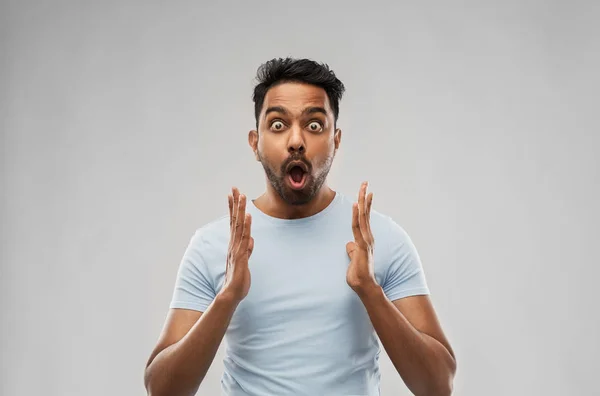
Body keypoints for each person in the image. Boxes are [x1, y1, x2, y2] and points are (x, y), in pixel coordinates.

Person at [144, 57, 456, 396]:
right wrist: (227, 298)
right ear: (255, 142)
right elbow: (161, 389)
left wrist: (369, 290)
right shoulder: (215, 245)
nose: (296, 140)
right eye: (278, 125)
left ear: (336, 140)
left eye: (314, 125)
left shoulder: (379, 239)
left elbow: (438, 385)